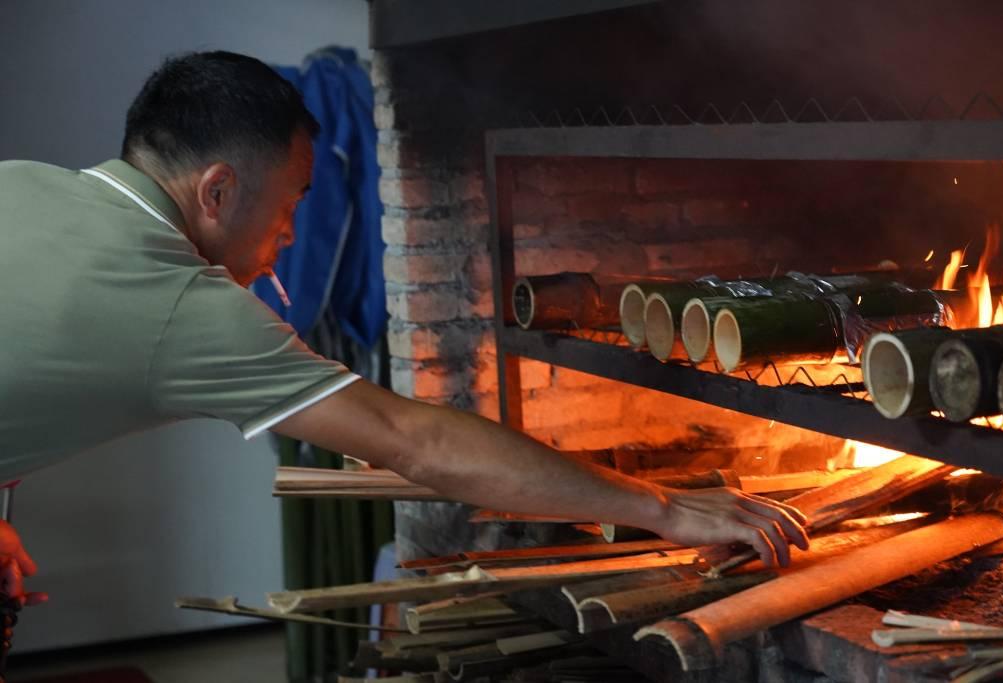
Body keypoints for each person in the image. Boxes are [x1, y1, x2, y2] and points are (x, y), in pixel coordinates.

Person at [0, 51, 808, 607]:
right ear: (216, 192)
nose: (287, 235)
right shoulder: (183, 306)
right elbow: (412, 439)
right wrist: (667, 507)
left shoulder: (25, 182)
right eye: (291, 204)